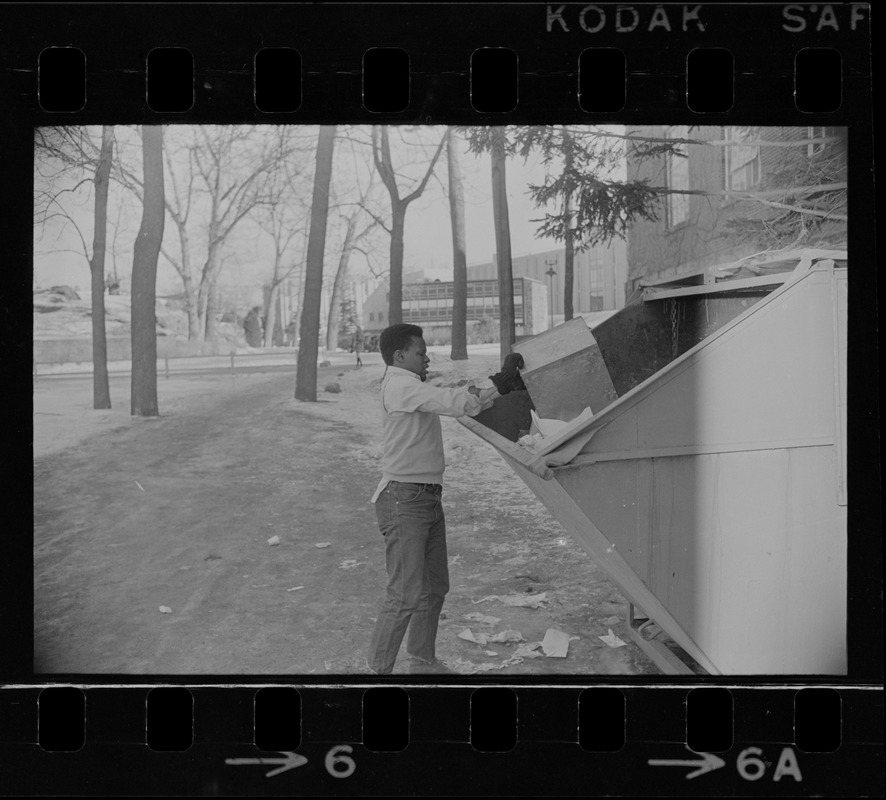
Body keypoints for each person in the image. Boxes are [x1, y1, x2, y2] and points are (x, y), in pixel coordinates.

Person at [366, 323, 524, 675]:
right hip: (404, 498)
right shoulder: (399, 385)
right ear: (399, 355)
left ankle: (422, 663)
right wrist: (499, 382)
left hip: (425, 497)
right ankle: (376, 675)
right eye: (421, 353)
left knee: (434, 587)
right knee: (405, 593)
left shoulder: (412, 386)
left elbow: (456, 397)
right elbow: (453, 402)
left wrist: (496, 389)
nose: (426, 359)